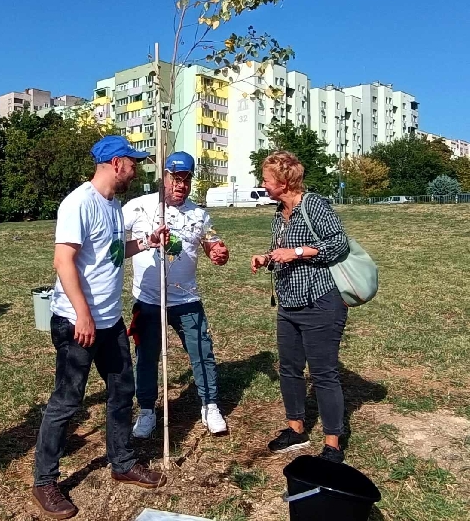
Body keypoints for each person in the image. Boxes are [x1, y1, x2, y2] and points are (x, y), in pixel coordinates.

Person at [32, 135, 169, 519]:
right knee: (67, 400)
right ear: (115, 163)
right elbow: (64, 262)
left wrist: (145, 243)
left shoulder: (112, 206)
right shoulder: (79, 203)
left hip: (109, 321)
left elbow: (109, 253)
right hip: (79, 321)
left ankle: (123, 463)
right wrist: (84, 314)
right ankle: (45, 481)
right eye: (133, 162)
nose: (137, 168)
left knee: (121, 391)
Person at [250, 151, 350, 464]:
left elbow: (339, 243)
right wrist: (265, 258)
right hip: (289, 303)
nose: (263, 184)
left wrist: (296, 252)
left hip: (321, 300)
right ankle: (296, 428)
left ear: (283, 181)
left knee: (323, 374)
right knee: (290, 368)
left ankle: (333, 443)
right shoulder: (279, 212)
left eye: (266, 179)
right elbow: (278, 250)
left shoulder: (314, 204)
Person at [123, 152, 231, 439]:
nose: (181, 185)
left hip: (186, 300)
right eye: (175, 179)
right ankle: (146, 410)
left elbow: (213, 245)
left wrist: (219, 252)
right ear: (165, 177)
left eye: (186, 180)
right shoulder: (139, 208)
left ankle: (210, 406)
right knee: (146, 357)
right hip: (148, 301)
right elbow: (111, 238)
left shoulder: (200, 215)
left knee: (202, 353)